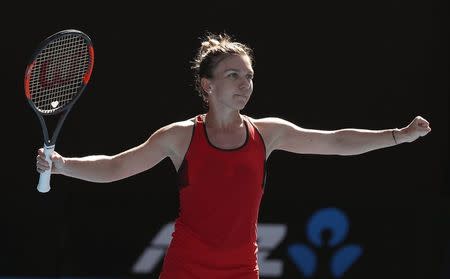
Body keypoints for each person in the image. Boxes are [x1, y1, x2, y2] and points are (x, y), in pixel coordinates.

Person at [36, 32, 431, 279]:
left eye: (249, 76)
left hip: (242, 271)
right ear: (207, 85)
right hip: (186, 270)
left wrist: (398, 136)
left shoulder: (267, 133)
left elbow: (335, 141)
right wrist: (63, 165)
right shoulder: (179, 136)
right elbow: (117, 167)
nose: (246, 83)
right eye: (233, 75)